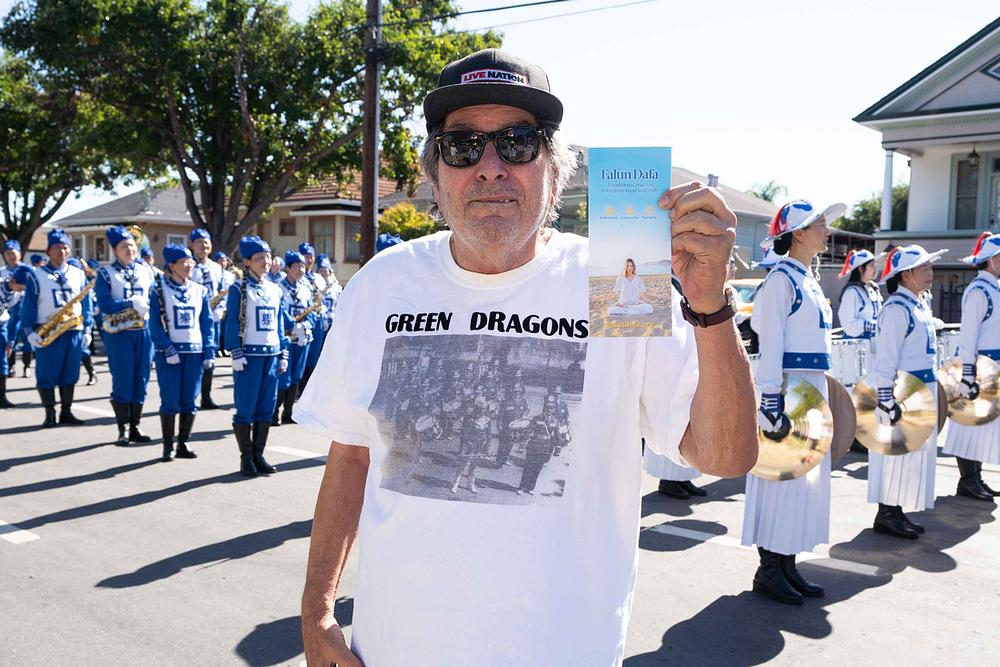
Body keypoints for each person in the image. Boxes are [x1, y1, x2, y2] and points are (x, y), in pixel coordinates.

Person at [296, 49, 757, 666]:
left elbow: (725, 455)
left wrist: (708, 304)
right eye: (462, 145)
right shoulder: (386, 283)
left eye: (517, 142)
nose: (490, 167)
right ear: (435, 175)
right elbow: (350, 455)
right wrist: (318, 612)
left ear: (554, 171)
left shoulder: (616, 280)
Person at [745, 199, 843, 605]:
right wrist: (771, 403)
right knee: (782, 481)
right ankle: (770, 570)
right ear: (798, 233)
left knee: (802, 483)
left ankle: (786, 563)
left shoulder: (806, 279)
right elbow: (770, 345)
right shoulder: (781, 281)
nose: (827, 230)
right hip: (788, 390)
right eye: (819, 224)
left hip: (809, 388)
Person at [868, 245, 947, 536]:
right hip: (904, 390)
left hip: (920, 389)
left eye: (929, 267)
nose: (930, 273)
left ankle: (896, 510)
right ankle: (887, 513)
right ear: (906, 274)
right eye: (924, 268)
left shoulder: (917, 304)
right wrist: (886, 399)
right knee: (897, 453)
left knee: (912, 455)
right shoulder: (896, 308)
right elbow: (886, 358)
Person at [224, 236, 290, 477]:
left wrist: (284, 351)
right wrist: (235, 350)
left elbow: (280, 324)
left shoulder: (274, 289)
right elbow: (231, 322)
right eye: (259, 258)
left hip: (271, 355)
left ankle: (259, 454)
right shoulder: (238, 289)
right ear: (247, 261)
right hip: (249, 357)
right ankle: (245, 458)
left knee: (266, 407)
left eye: (267, 257)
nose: (265, 261)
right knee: (246, 407)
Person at [942, 232, 1000, 500]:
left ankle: (976, 478)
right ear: (991, 260)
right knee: (969, 425)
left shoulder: (993, 288)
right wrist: (968, 375)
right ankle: (968, 481)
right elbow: (968, 335)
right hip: (977, 366)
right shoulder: (978, 290)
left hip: (990, 366)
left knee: (983, 425)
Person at [18, 229, 94, 427]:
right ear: (49, 251)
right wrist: (29, 331)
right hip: (48, 330)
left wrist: (87, 329)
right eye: (57, 248)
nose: (62, 252)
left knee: (71, 373)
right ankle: (49, 413)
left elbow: (86, 304)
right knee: (47, 373)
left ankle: (66, 412)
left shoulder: (78, 273)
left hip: (73, 329)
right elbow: (29, 305)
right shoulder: (37, 275)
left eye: (65, 248)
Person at [149, 244, 216, 461]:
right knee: (170, 400)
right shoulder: (159, 290)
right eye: (183, 262)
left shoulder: (199, 290)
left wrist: (209, 351)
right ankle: (167, 445)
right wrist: (167, 347)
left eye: (190, 262)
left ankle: (183, 443)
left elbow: (206, 324)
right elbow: (154, 324)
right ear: (171, 266)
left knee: (190, 400)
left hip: (194, 353)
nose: (188, 266)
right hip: (170, 353)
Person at [95, 226, 156, 445]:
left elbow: (155, 296)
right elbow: (104, 304)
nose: (129, 249)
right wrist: (130, 303)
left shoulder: (146, 270)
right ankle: (122, 429)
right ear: (114, 250)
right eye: (123, 246)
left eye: (131, 245)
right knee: (123, 380)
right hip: (119, 334)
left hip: (144, 332)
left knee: (141, 379)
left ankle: (136, 426)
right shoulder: (105, 273)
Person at [274, 250, 315, 424]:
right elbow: (279, 312)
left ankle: (288, 412)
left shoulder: (306, 289)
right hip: (285, 337)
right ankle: (273, 412)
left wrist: (305, 327)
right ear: (288, 268)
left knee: (297, 376)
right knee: (284, 377)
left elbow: (312, 312)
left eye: (303, 267)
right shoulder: (278, 288)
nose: (301, 270)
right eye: (297, 266)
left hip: (302, 338)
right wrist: (293, 325)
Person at [190, 228, 224, 409]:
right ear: (192, 245)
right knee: (194, 356)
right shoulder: (187, 265)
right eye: (199, 242)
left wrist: (221, 309)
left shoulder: (216, 267)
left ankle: (206, 396)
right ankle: (192, 395)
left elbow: (222, 291)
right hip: (193, 319)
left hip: (212, 317)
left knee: (210, 356)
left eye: (206, 242)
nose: (203, 246)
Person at [302, 253, 341, 393]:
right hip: (317, 321)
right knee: (314, 354)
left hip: (331, 322)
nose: (324, 272)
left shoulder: (335, 287)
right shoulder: (316, 283)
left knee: (328, 353)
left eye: (326, 269)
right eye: (321, 269)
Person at [298, 244, 328, 392]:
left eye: (311, 257)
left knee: (315, 354)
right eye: (305, 256)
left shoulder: (318, 278)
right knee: (303, 354)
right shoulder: (298, 277)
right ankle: (299, 386)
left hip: (318, 319)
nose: (308, 260)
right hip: (304, 320)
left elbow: (324, 298)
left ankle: (309, 387)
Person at [1, 239, 25, 405]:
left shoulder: (29, 272)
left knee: (6, 352)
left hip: (18, 315)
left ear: (20, 253)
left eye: (14, 252)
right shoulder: (2, 273)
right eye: (7, 253)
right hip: (4, 315)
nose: (11, 256)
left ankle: (2, 396)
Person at [70, 258, 98, 386]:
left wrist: (87, 328)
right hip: (64, 323)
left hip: (79, 322)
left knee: (83, 350)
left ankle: (91, 373)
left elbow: (87, 308)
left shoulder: (84, 284)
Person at [211, 250, 237, 356]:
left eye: (225, 260)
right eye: (220, 260)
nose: (223, 263)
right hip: (215, 305)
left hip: (227, 304)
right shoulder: (212, 272)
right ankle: (215, 347)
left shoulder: (230, 275)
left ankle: (225, 347)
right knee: (216, 328)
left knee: (226, 329)